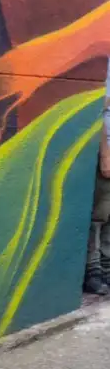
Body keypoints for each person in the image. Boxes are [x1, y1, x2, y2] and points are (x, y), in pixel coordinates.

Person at [85, 116, 110, 295]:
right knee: (99, 216)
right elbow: (98, 115)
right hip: (106, 158)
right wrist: (105, 154)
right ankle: (93, 270)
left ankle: (106, 268)